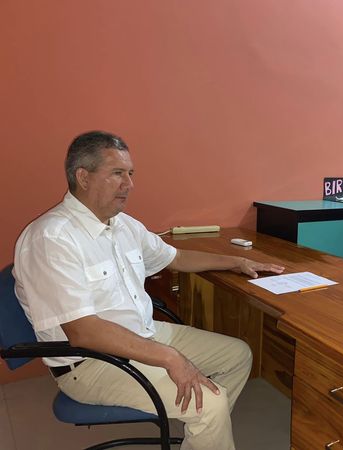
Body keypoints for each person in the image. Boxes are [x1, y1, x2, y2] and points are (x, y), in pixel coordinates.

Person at [12, 131, 285, 450]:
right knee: (210, 404)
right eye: (117, 173)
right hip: (90, 362)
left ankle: (201, 432)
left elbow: (176, 257)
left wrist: (236, 262)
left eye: (130, 173)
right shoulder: (52, 239)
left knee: (238, 355)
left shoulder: (123, 225)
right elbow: (83, 332)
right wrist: (170, 358)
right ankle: (205, 417)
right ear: (83, 177)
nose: (129, 184)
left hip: (144, 333)